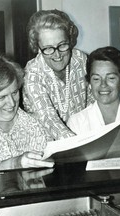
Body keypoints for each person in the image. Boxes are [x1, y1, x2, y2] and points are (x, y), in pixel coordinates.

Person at [23, 9, 94, 140]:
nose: (57, 55)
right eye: (48, 48)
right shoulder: (33, 74)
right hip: (49, 147)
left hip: (84, 137)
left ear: (70, 40)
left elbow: (92, 102)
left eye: (62, 45)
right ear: (38, 47)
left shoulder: (81, 60)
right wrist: (78, 143)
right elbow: (48, 119)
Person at [67, 46, 120, 134]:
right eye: (96, 79)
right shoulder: (76, 122)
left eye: (111, 78)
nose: (103, 84)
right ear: (89, 83)